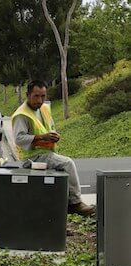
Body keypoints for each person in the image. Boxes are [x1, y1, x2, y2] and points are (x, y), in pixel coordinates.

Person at [11, 79, 95, 216]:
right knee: (67, 163)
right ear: (28, 94)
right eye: (36, 96)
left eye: (43, 96)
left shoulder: (44, 108)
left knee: (55, 187)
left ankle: (57, 219)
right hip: (32, 158)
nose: (39, 100)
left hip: (47, 154)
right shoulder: (22, 114)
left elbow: (50, 127)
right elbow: (19, 139)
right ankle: (75, 203)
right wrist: (41, 137)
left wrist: (54, 136)